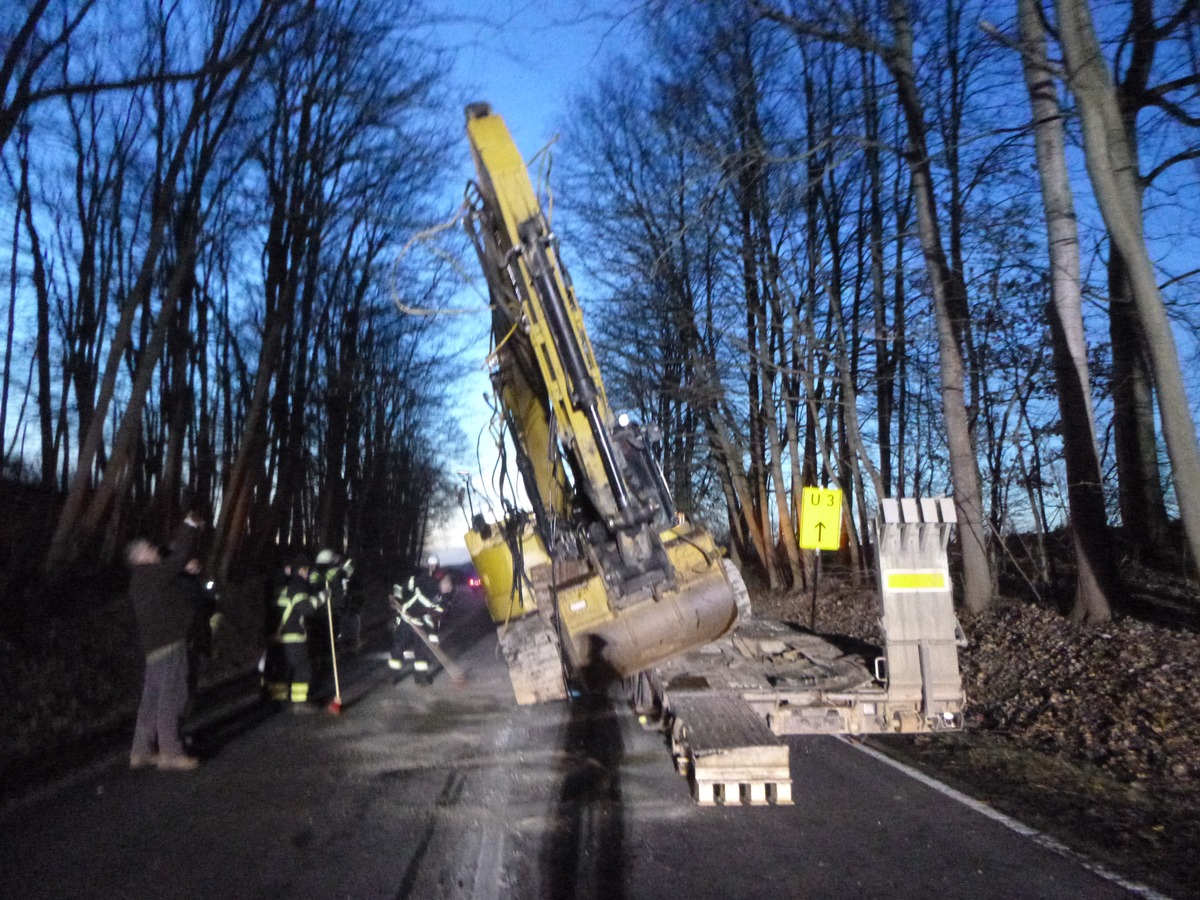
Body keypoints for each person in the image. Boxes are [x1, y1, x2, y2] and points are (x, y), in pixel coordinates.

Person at [127, 511, 204, 771]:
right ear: (139, 557)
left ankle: (141, 750)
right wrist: (189, 526)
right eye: (149, 549)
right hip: (169, 644)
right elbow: (178, 558)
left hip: (154, 647)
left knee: (151, 698)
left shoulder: (141, 580)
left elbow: (175, 567)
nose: (154, 551)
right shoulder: (149, 573)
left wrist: (182, 567)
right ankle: (171, 752)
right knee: (172, 696)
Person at [263, 554, 324, 710]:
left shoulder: (279, 585)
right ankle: (299, 702)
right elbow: (306, 608)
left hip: (276, 635)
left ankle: (277, 700)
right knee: (303, 667)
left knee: (281, 667)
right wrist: (322, 597)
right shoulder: (298, 585)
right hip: (293, 635)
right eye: (306, 570)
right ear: (303, 570)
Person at [388, 554, 453, 686]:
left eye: (448, 586)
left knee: (421, 651)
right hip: (407, 618)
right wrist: (395, 597)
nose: (432, 567)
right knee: (399, 647)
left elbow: (437, 617)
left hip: (422, 623)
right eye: (430, 564)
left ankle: (421, 677)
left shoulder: (442, 597)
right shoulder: (418, 580)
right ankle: (393, 675)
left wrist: (433, 636)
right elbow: (400, 587)